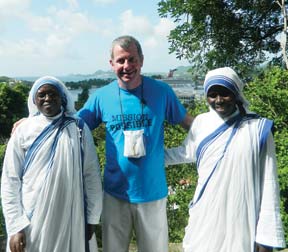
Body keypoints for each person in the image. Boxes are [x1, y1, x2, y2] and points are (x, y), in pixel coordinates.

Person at [77, 35, 193, 252]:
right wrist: (34, 121)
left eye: (131, 59)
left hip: (153, 193)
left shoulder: (162, 92)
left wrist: (222, 130)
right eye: (120, 61)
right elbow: (73, 128)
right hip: (114, 195)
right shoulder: (102, 97)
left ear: (141, 60)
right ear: (111, 64)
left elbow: (188, 123)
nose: (126, 66)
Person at [165, 67, 286, 252]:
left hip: (242, 220)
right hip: (205, 218)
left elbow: (269, 184)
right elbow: (184, 153)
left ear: (236, 94)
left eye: (225, 94)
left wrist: (266, 238)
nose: (219, 100)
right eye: (212, 95)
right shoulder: (201, 123)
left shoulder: (258, 130)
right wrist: (149, 156)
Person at [1, 76, 103, 252]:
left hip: (71, 217)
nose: (47, 98)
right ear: (35, 99)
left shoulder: (78, 128)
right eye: (42, 95)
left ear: (62, 97)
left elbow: (91, 175)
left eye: (52, 94)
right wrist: (15, 227)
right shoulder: (23, 131)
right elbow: (10, 180)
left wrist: (92, 219)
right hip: (32, 220)